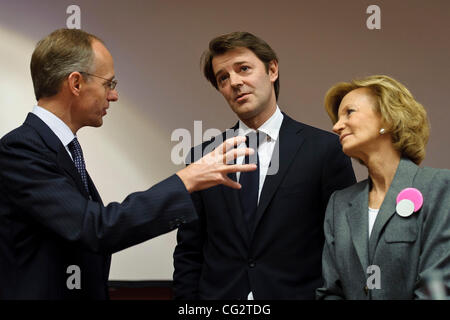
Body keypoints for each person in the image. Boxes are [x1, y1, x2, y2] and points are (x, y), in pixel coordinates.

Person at [0, 29, 256, 300]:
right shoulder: (21, 149)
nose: (114, 96)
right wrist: (186, 180)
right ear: (76, 83)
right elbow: (96, 229)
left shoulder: (58, 148)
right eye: (108, 84)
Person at [173, 31, 356, 299]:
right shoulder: (202, 157)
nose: (235, 82)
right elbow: (189, 251)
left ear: (272, 70)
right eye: (223, 78)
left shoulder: (325, 150)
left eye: (244, 69)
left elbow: (343, 246)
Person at [316, 75, 450, 299]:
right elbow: (331, 291)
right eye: (337, 118)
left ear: (387, 119)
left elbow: (437, 289)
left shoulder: (438, 187)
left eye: (349, 112)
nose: (336, 127)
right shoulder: (338, 203)